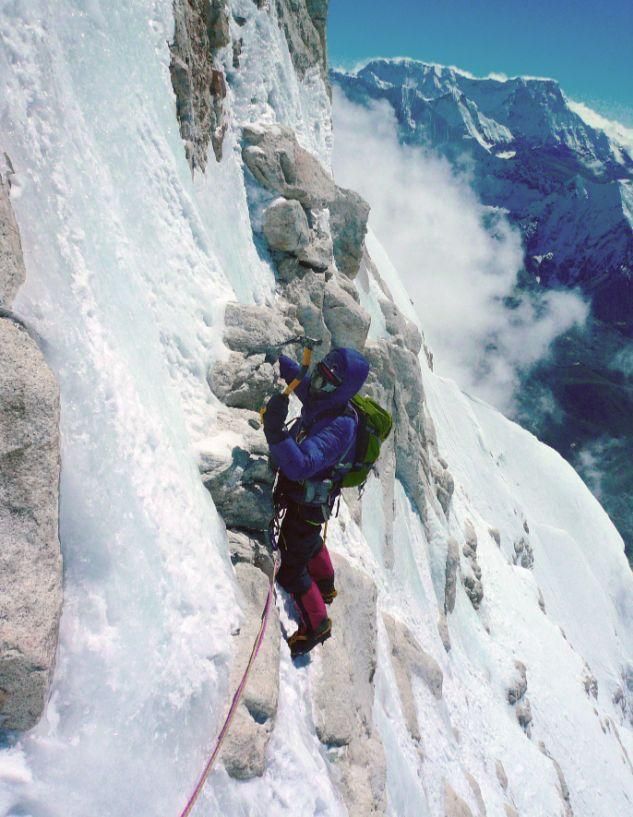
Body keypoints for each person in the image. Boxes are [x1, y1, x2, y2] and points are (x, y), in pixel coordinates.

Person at [263, 347, 370, 657]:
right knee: (308, 541)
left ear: (342, 389)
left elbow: (301, 465)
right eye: (320, 374)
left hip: (307, 505)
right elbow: (301, 379)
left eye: (327, 381)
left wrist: (275, 431)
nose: (318, 384)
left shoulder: (340, 426)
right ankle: (325, 584)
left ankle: (317, 626)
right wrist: (275, 355)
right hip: (310, 502)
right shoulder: (326, 398)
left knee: (291, 569)